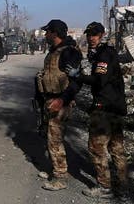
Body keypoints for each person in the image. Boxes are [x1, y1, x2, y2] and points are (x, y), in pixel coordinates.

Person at [66, 22, 128, 199]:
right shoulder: (106, 52)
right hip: (115, 107)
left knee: (96, 147)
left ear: (102, 35)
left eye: (94, 34)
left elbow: (99, 81)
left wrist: (80, 76)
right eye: (89, 35)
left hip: (104, 108)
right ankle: (123, 189)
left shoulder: (104, 54)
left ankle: (105, 188)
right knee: (117, 148)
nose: (90, 38)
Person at [36, 19, 82, 191]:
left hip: (60, 101)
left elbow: (77, 82)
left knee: (55, 140)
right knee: (50, 136)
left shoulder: (69, 53)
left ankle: (60, 177)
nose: (46, 35)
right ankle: (55, 169)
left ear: (55, 33)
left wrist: (61, 100)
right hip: (50, 99)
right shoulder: (54, 51)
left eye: (48, 32)